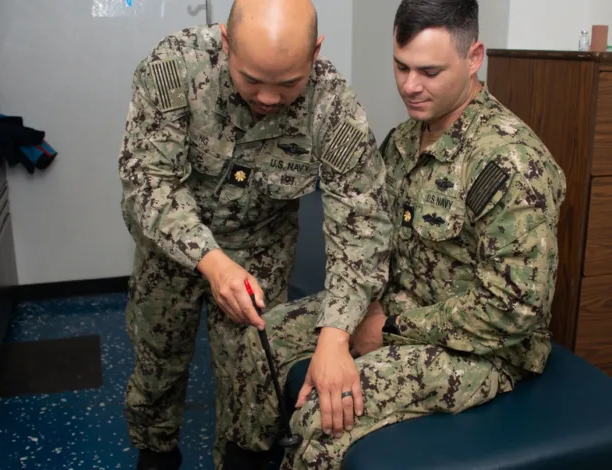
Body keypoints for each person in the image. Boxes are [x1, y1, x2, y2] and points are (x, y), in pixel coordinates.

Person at [221, 0, 568, 468]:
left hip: (480, 350)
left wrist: (390, 328)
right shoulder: (404, 141)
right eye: (400, 66)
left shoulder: (509, 163)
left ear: (474, 57)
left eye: (429, 71)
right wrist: (366, 312)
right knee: (257, 342)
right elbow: (375, 242)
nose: (409, 85)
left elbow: (514, 311)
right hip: (398, 310)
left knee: (323, 420)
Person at [117, 0, 393, 468]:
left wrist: (334, 333)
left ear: (315, 53)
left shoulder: (332, 106)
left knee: (251, 372)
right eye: (250, 80)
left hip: (260, 246)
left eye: (288, 83)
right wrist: (212, 260)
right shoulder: (175, 69)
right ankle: (155, 453)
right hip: (171, 244)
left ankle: (240, 458)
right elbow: (148, 183)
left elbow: (362, 228)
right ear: (226, 43)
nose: (268, 98)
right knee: (157, 362)